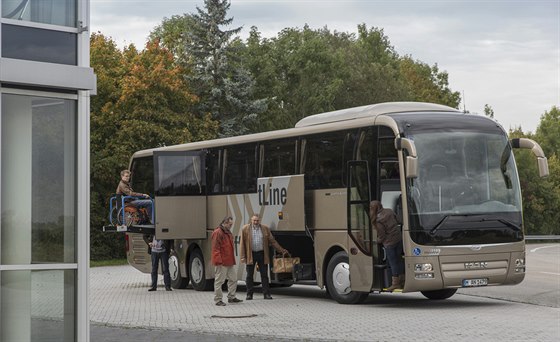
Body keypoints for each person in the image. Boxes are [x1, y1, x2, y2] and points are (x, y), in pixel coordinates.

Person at [240, 213, 288, 300]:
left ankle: (266, 294)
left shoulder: (265, 229)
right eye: (254, 220)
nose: (256, 222)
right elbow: (242, 244)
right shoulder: (245, 229)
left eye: (257, 220)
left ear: (260, 221)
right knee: (249, 275)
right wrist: (243, 256)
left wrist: (281, 250)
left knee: (264, 275)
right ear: (251, 220)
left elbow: (272, 241)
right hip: (251, 254)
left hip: (262, 254)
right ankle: (249, 294)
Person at [369, 200, 405, 291]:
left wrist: (374, 242)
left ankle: (395, 283)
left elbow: (382, 236)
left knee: (392, 263)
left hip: (390, 243)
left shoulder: (378, 220)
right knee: (399, 259)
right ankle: (402, 280)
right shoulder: (389, 211)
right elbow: (399, 220)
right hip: (398, 239)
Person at [211, 216, 242, 306]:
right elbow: (215, 248)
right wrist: (218, 260)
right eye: (230, 224)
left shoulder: (227, 232)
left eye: (231, 224)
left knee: (233, 279)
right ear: (225, 223)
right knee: (219, 281)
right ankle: (218, 300)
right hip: (222, 261)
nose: (231, 226)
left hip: (228, 260)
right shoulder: (218, 232)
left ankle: (231, 297)